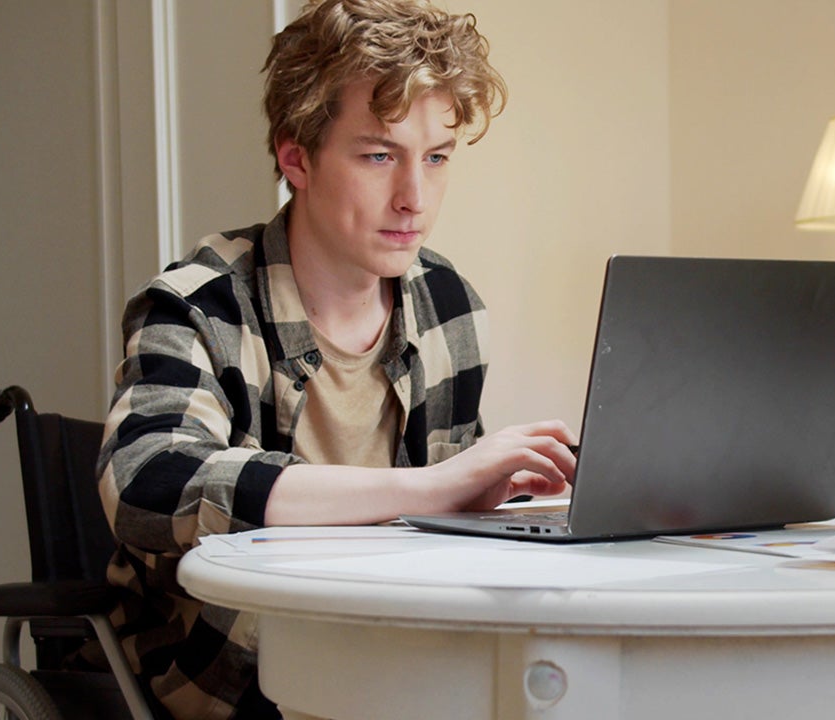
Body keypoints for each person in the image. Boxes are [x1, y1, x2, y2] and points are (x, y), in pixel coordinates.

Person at [94, 1, 577, 717]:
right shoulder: (197, 305)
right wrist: (433, 487)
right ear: (297, 158)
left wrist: (523, 492)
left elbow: (448, 526)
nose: (415, 198)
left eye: (436, 158)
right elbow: (144, 483)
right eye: (379, 155)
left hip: (399, 660)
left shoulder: (449, 304)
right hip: (228, 672)